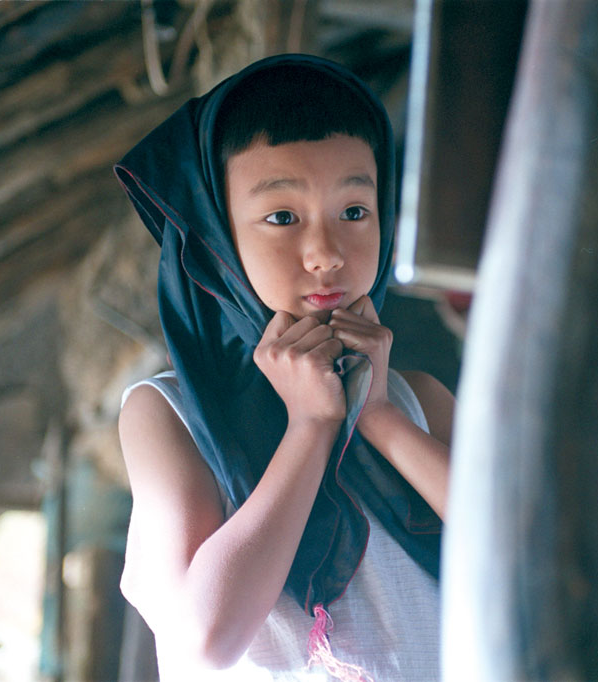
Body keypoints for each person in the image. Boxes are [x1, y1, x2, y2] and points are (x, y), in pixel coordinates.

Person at [113, 54, 454, 681]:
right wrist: (310, 426)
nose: (326, 253)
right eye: (281, 217)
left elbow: (532, 569)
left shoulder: (420, 405)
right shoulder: (167, 417)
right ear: (214, 235)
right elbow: (208, 641)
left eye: (354, 211)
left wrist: (376, 416)